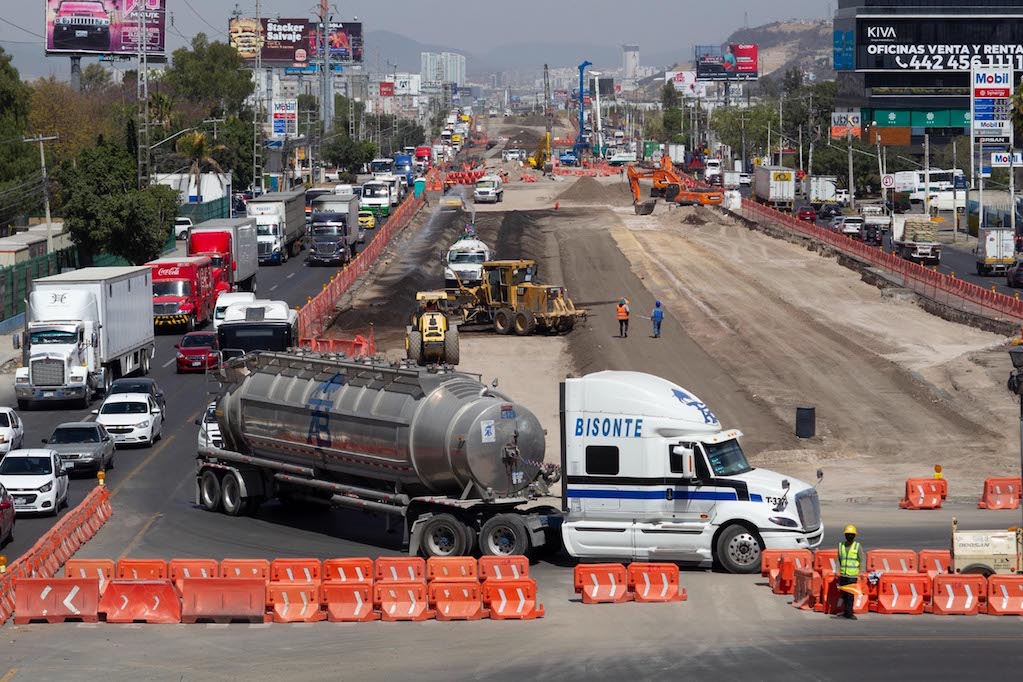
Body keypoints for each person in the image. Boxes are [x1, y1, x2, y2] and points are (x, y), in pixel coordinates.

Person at [837, 525, 864, 620]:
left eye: (851, 535)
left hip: (852, 575)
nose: (849, 536)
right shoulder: (841, 545)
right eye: (848, 534)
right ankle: (846, 611)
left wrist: (862, 571)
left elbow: (862, 559)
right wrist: (837, 571)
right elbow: (839, 559)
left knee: (850, 595)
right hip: (843, 574)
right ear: (845, 535)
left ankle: (850, 613)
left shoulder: (857, 546)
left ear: (854, 536)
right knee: (844, 594)